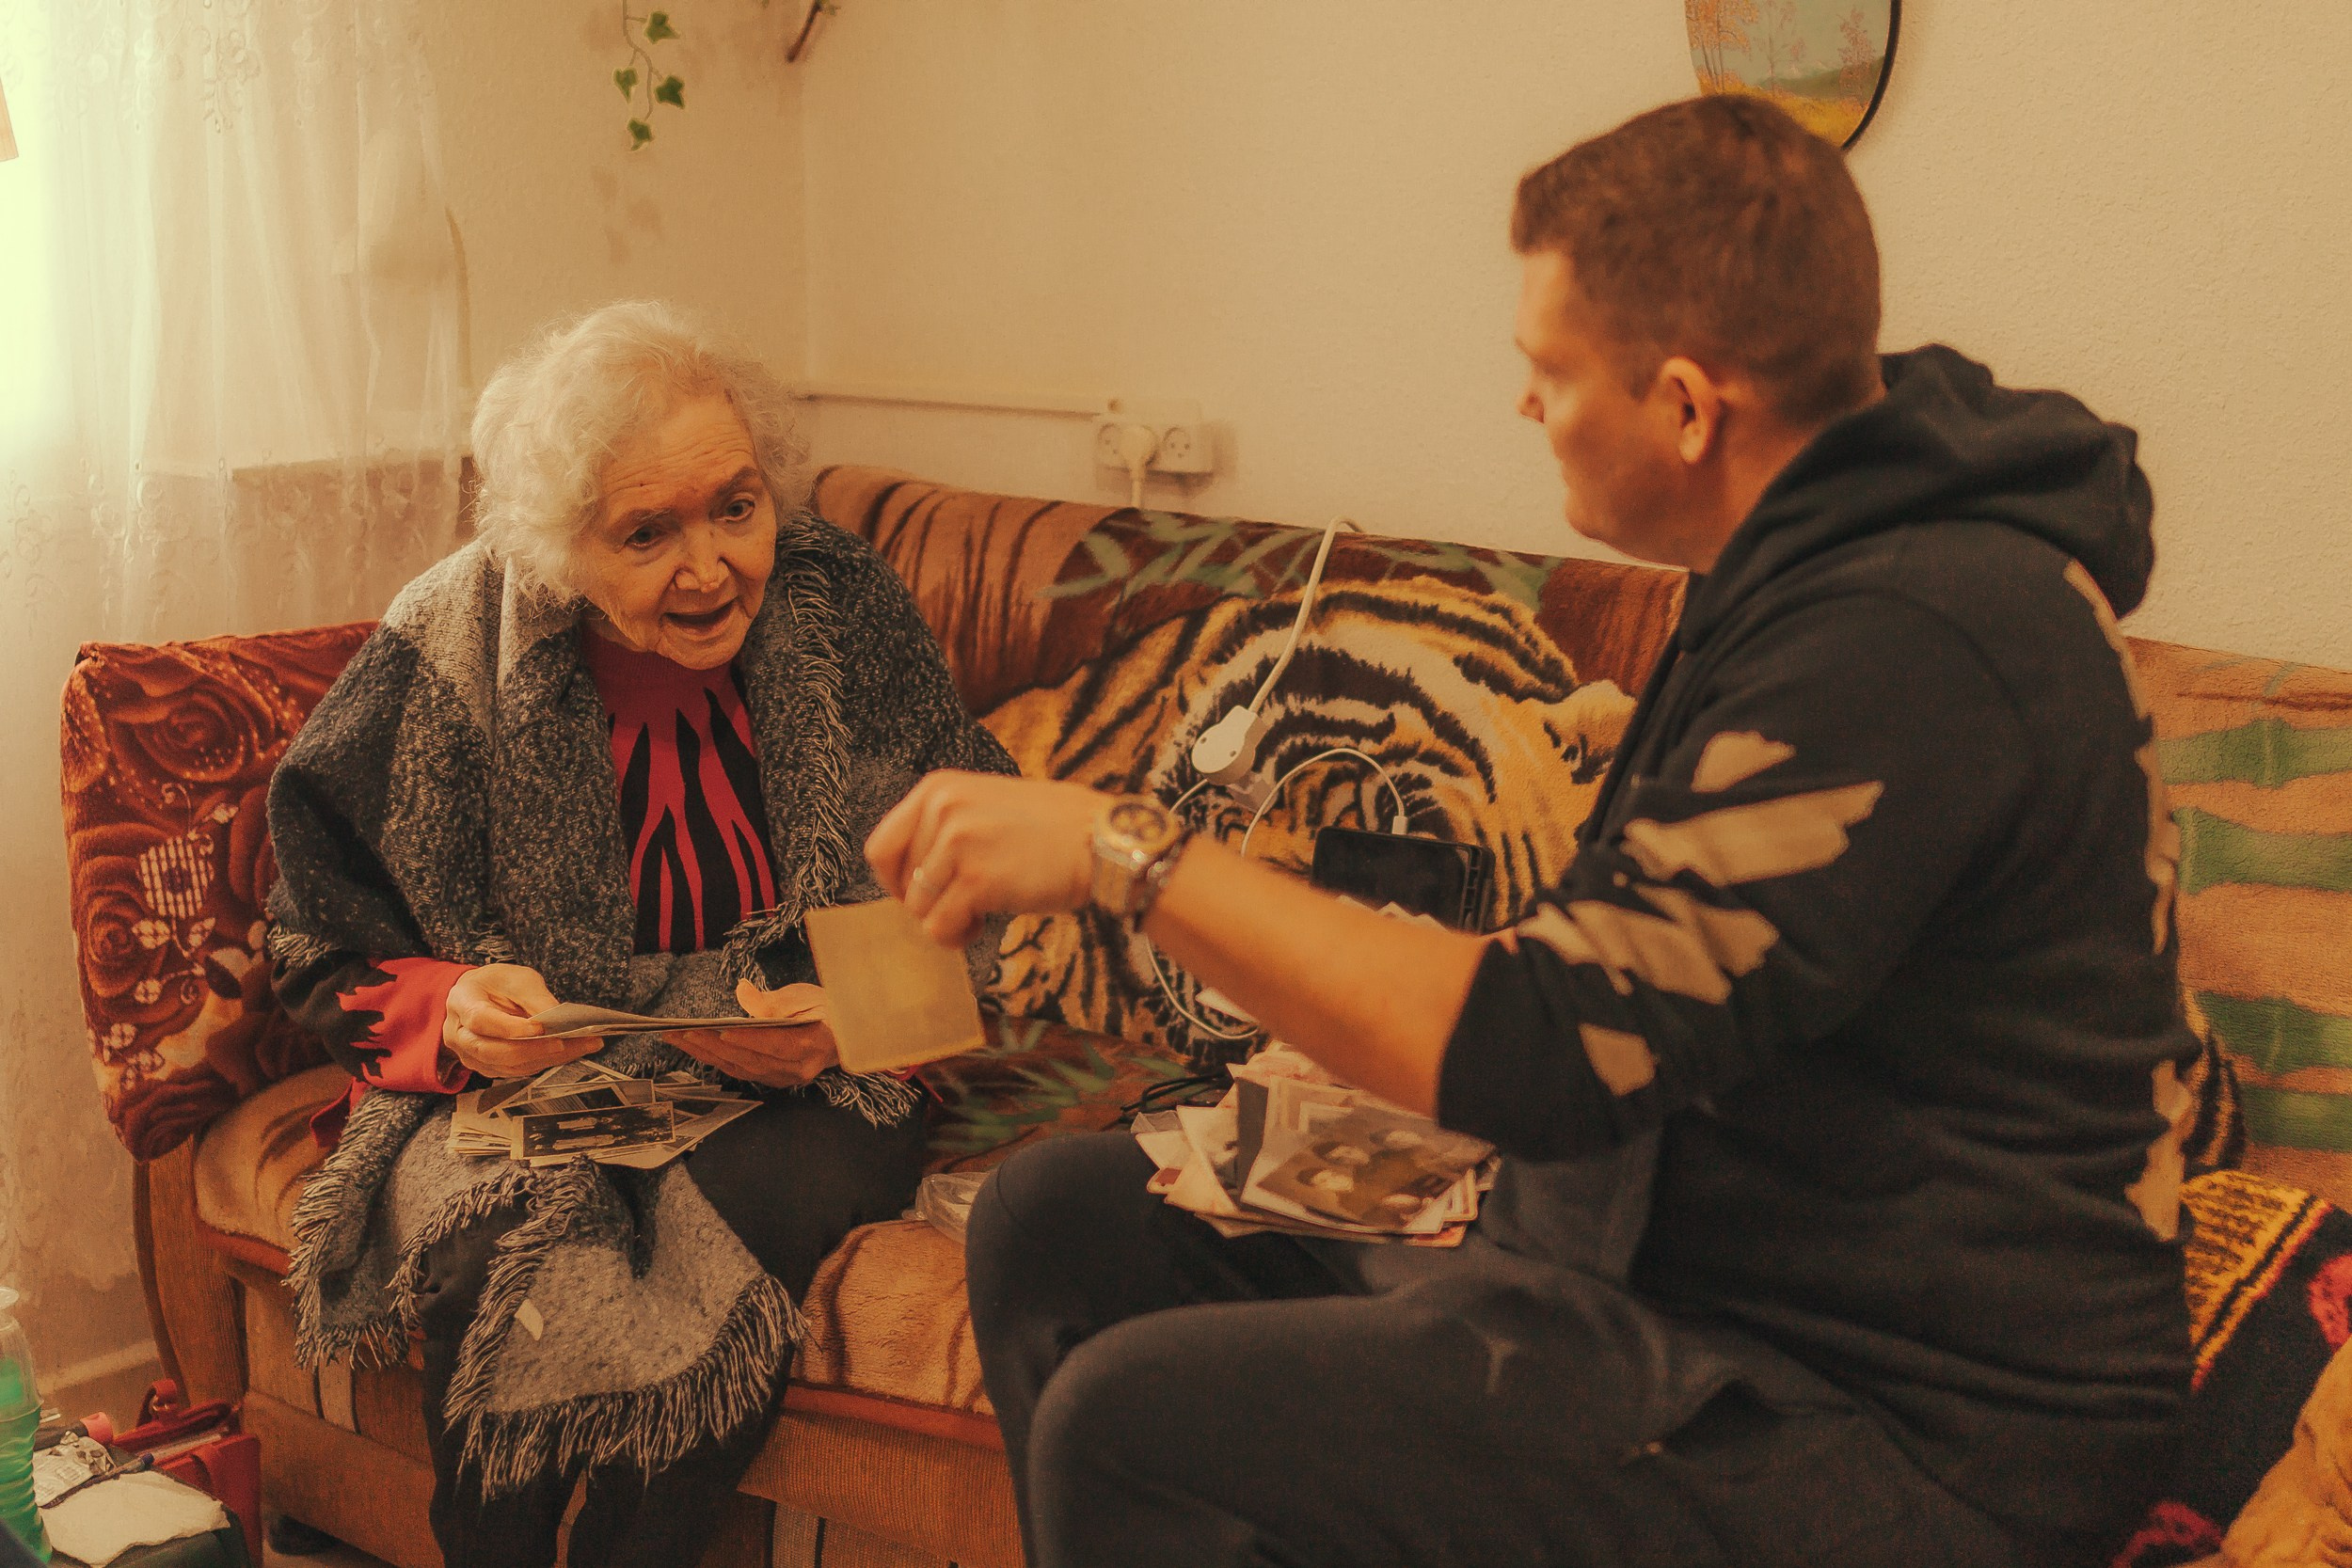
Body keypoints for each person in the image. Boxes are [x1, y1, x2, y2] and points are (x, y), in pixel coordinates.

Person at [863, 96, 2197, 1568]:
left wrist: (1128, 854)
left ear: (1687, 405)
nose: (1526, 407)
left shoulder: (1905, 637)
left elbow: (1547, 1049)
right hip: (1655, 1266)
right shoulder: (1809, 559)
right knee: (1061, 1217)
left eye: (1547, 372)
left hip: (1901, 1416)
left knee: (1134, 1423)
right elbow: (1635, 970)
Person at [265, 300, 1016, 1567]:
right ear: (559, 550)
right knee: (490, 1258)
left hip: (806, 1078)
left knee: (745, 1225)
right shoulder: (451, 640)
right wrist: (452, 1008)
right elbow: (312, 929)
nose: (711, 565)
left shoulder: (846, 612)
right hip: (542, 1071)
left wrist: (851, 1016)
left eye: (736, 506)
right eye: (645, 532)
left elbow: (964, 884)